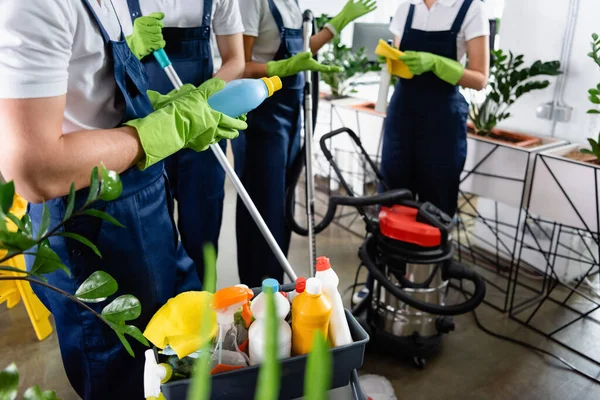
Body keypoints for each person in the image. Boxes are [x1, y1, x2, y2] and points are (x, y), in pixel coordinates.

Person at [0, 0, 245, 398]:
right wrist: (159, 131)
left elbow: (94, 100)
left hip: (143, 201)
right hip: (90, 224)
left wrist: (161, 109)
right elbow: (34, 170)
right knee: (127, 376)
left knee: (175, 351)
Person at [233, 0, 377, 288]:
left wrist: (336, 25)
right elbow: (240, 66)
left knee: (283, 206)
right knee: (263, 208)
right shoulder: (253, 2)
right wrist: (281, 67)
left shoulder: (292, 3)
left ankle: (276, 288)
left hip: (291, 115)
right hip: (263, 115)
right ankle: (256, 291)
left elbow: (301, 52)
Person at [114, 0, 245, 280]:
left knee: (203, 227)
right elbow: (102, 64)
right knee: (150, 234)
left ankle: (206, 313)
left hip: (201, 126)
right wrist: (132, 46)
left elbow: (236, 60)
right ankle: (165, 317)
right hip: (145, 130)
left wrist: (206, 97)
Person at [381, 0, 490, 216]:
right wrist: (391, 60)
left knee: (437, 197)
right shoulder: (407, 8)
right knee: (393, 193)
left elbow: (480, 79)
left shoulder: (470, 9)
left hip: (442, 118)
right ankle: (390, 249)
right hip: (402, 112)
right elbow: (399, 62)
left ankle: (430, 248)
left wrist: (436, 63)